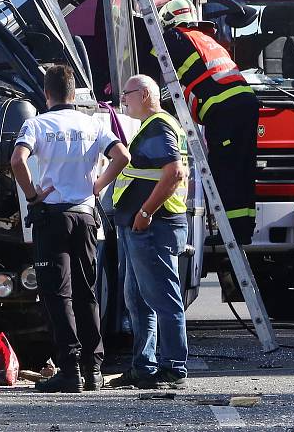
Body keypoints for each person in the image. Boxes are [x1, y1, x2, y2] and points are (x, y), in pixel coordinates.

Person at [11, 64, 130, 393]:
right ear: (74, 93)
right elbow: (122, 155)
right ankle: (93, 370)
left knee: (57, 294)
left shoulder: (37, 123)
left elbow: (17, 161)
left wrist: (33, 194)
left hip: (53, 216)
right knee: (86, 292)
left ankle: (69, 369)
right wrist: (99, 186)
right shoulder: (92, 123)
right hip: (86, 215)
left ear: (46, 93)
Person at [108, 74, 191, 389]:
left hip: (153, 226)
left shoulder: (158, 126)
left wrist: (145, 212)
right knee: (139, 299)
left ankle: (173, 368)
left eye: (126, 94)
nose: (123, 100)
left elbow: (173, 172)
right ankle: (144, 367)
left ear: (143, 94)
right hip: (143, 226)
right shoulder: (154, 126)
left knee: (161, 298)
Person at [158, 0, 259, 245]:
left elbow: (157, 64)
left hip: (224, 110)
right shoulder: (206, 39)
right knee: (243, 170)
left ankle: (230, 233)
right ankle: (243, 230)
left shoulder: (175, 37)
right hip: (245, 104)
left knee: (225, 169)